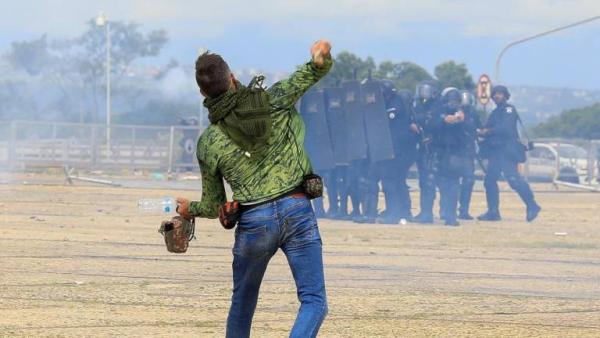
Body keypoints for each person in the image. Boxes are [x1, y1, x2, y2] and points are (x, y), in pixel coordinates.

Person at [175, 40, 333, 338]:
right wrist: (320, 58)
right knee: (314, 301)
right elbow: (311, 73)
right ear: (233, 78)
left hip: (253, 223)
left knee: (242, 304)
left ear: (202, 93)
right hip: (298, 209)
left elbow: (213, 206)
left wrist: (188, 209)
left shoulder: (209, 143)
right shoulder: (272, 101)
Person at [477, 85, 541, 222]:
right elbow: (488, 128)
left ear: (505, 95)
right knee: (489, 180)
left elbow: (505, 128)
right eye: (494, 94)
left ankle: (532, 205)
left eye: (499, 94)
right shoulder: (495, 112)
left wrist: (487, 131)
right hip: (496, 152)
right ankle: (493, 211)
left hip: (507, 151)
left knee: (514, 180)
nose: (496, 96)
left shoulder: (509, 109)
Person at [377, 82, 419, 223]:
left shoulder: (395, 104)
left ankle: (394, 214)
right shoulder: (395, 104)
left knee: (391, 182)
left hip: (396, 152)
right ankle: (402, 211)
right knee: (397, 182)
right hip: (395, 151)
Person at [431, 88, 468, 226]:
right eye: (449, 101)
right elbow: (431, 125)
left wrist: (461, 119)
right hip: (439, 152)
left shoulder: (466, 113)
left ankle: (450, 215)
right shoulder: (438, 111)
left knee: (452, 184)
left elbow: (471, 128)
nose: (452, 104)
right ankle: (443, 211)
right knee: (440, 183)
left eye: (455, 101)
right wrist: (444, 120)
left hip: (455, 153)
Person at [412, 81, 440, 224]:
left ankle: (428, 213)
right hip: (422, 147)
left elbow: (433, 123)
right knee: (423, 181)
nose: (423, 94)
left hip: (432, 148)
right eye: (422, 90)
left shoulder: (437, 107)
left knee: (429, 181)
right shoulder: (419, 106)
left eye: (426, 91)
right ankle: (424, 211)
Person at [457, 90, 481, 220]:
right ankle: (447, 209)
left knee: (468, 181)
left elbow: (479, 128)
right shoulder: (454, 112)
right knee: (451, 181)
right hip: (455, 152)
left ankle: (463, 210)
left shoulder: (473, 114)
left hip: (469, 152)